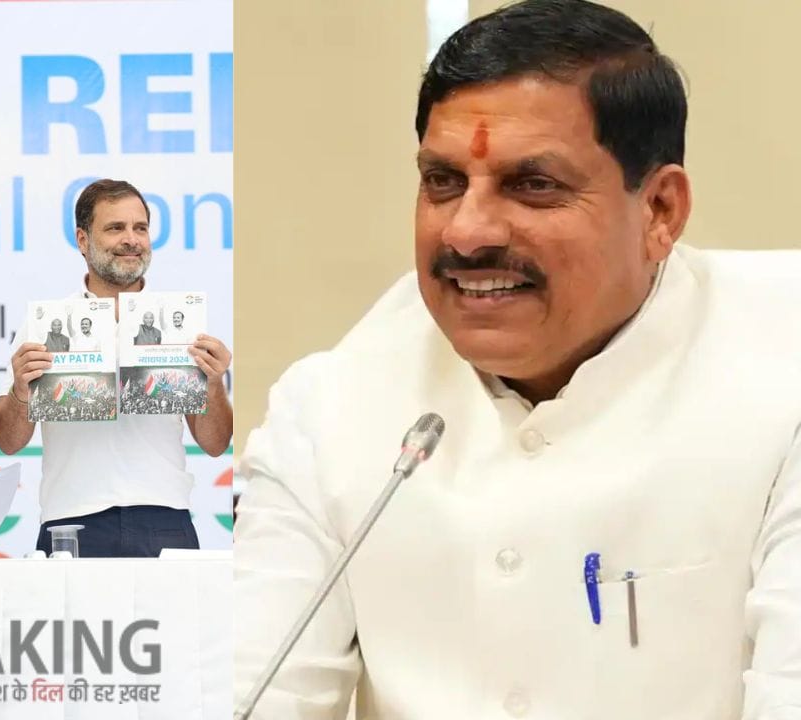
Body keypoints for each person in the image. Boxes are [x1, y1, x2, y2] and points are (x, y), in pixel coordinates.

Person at [233, 1, 801, 717]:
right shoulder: (330, 408)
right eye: (443, 182)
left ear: (660, 210)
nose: (467, 233)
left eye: (533, 185)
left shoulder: (781, 367)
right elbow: (254, 687)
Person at [0, 178, 233, 558]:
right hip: (71, 519)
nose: (131, 239)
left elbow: (215, 444)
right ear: (83, 239)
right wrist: (22, 392)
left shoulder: (182, 325)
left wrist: (214, 383)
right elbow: (9, 443)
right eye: (115, 228)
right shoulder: (42, 325)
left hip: (164, 514)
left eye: (141, 228)